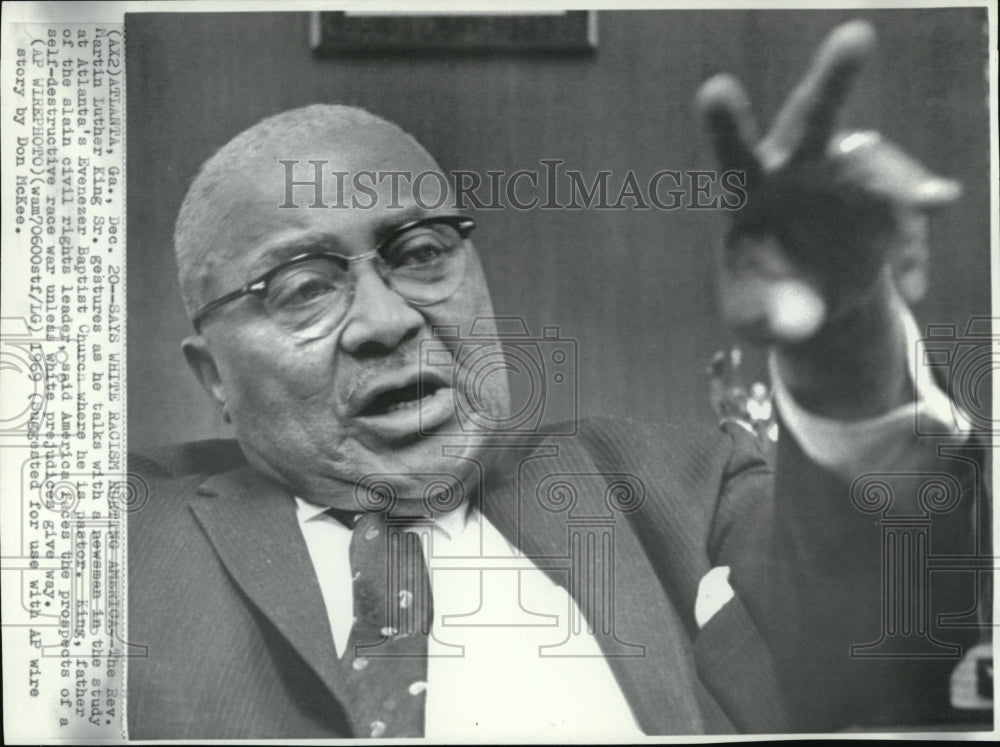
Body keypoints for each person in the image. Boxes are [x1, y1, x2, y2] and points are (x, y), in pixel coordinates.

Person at [127, 20, 990, 738]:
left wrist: (845, 345)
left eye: (422, 252)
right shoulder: (114, 535)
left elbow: (887, 642)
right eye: (305, 289)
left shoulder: (672, 485)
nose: (387, 321)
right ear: (215, 378)